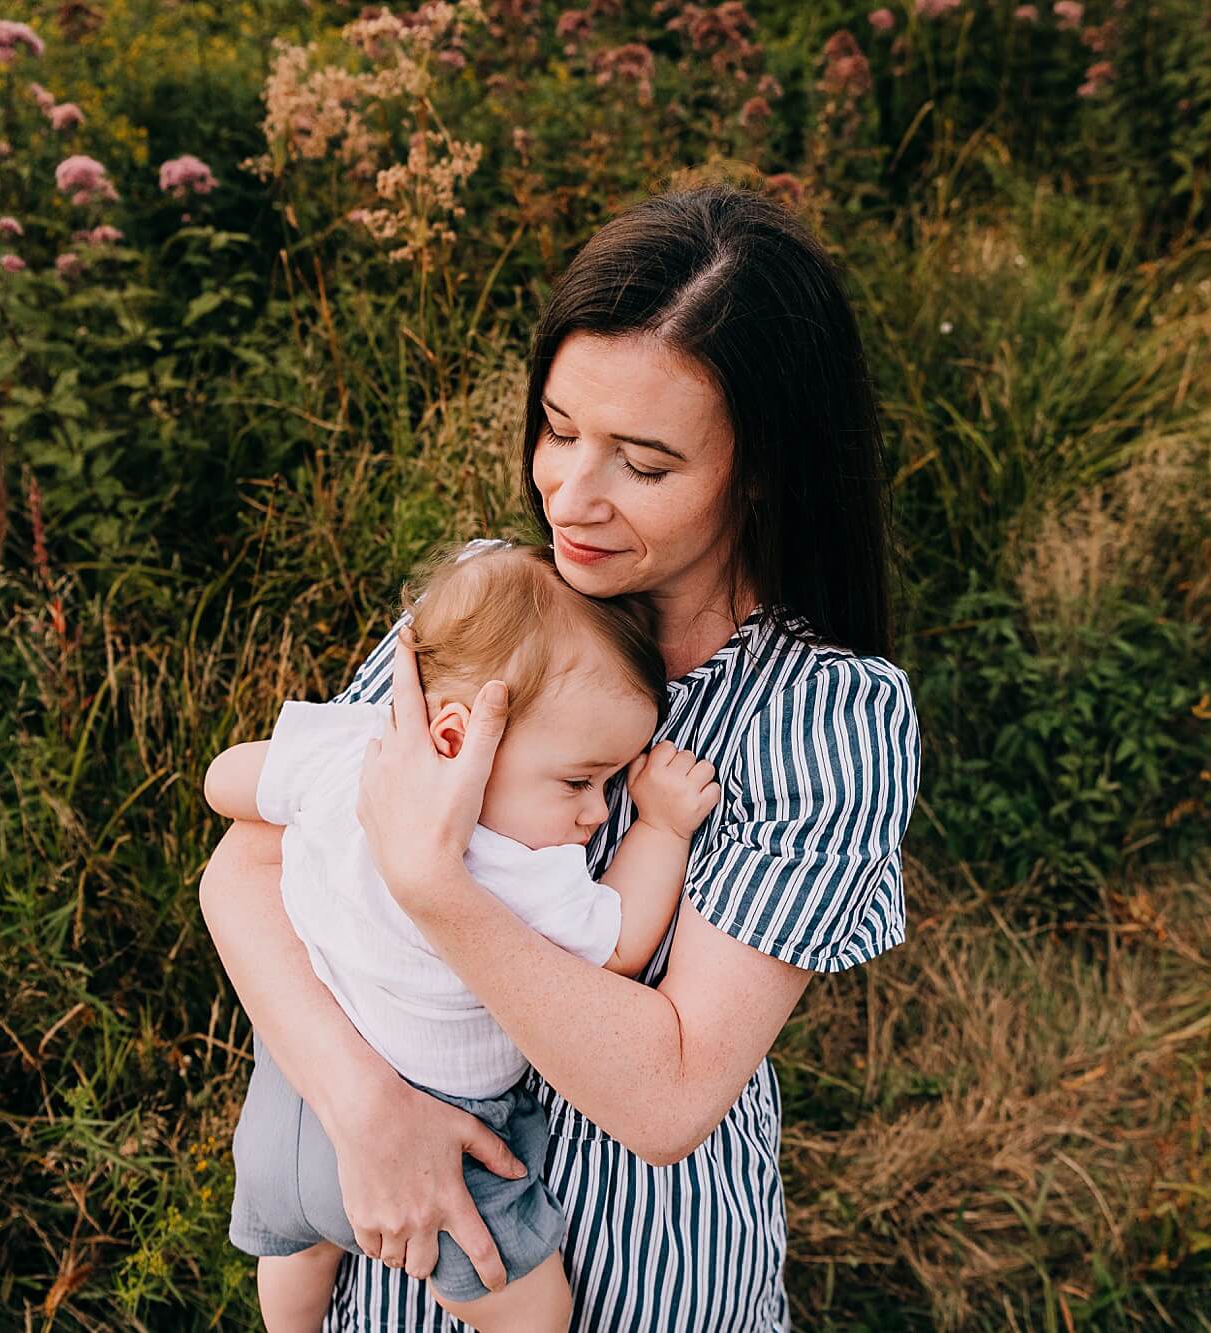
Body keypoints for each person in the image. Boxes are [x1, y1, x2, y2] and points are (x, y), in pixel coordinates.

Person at [199, 183, 921, 1332]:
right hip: (399, 1257)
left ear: (763, 468)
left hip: (648, 1285)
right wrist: (363, 1111)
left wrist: (436, 886)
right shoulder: (497, 603)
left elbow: (669, 1089)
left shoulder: (820, 717)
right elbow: (244, 867)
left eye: (642, 463)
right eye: (557, 428)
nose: (568, 496)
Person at [201, 542, 722, 1332]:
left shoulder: (354, 754)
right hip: (446, 1129)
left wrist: (309, 768)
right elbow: (618, 943)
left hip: (294, 1081)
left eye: (614, 786)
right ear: (457, 740)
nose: (598, 811)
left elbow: (225, 784)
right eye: (581, 780)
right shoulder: (521, 867)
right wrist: (663, 827)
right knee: (529, 1306)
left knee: (295, 1253)